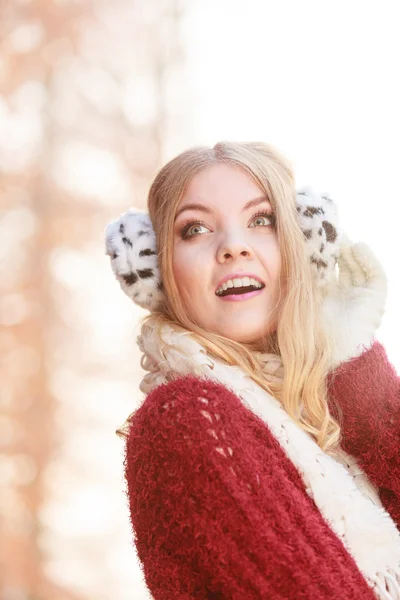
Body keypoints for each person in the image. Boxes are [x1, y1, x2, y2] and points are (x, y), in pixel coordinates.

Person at [105, 142, 400, 599]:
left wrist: (351, 363)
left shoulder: (328, 420)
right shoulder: (188, 419)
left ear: (303, 248)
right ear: (154, 270)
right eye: (195, 229)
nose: (234, 247)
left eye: (262, 220)